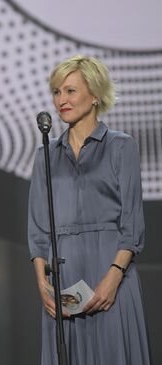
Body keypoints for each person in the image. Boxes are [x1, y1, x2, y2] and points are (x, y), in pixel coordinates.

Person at [28, 55, 151, 364]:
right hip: (65, 278)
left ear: (95, 95)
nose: (61, 100)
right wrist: (42, 284)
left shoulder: (121, 147)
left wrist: (114, 277)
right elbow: (39, 228)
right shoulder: (46, 155)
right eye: (57, 92)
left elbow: (132, 224)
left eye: (70, 91)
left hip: (112, 274)